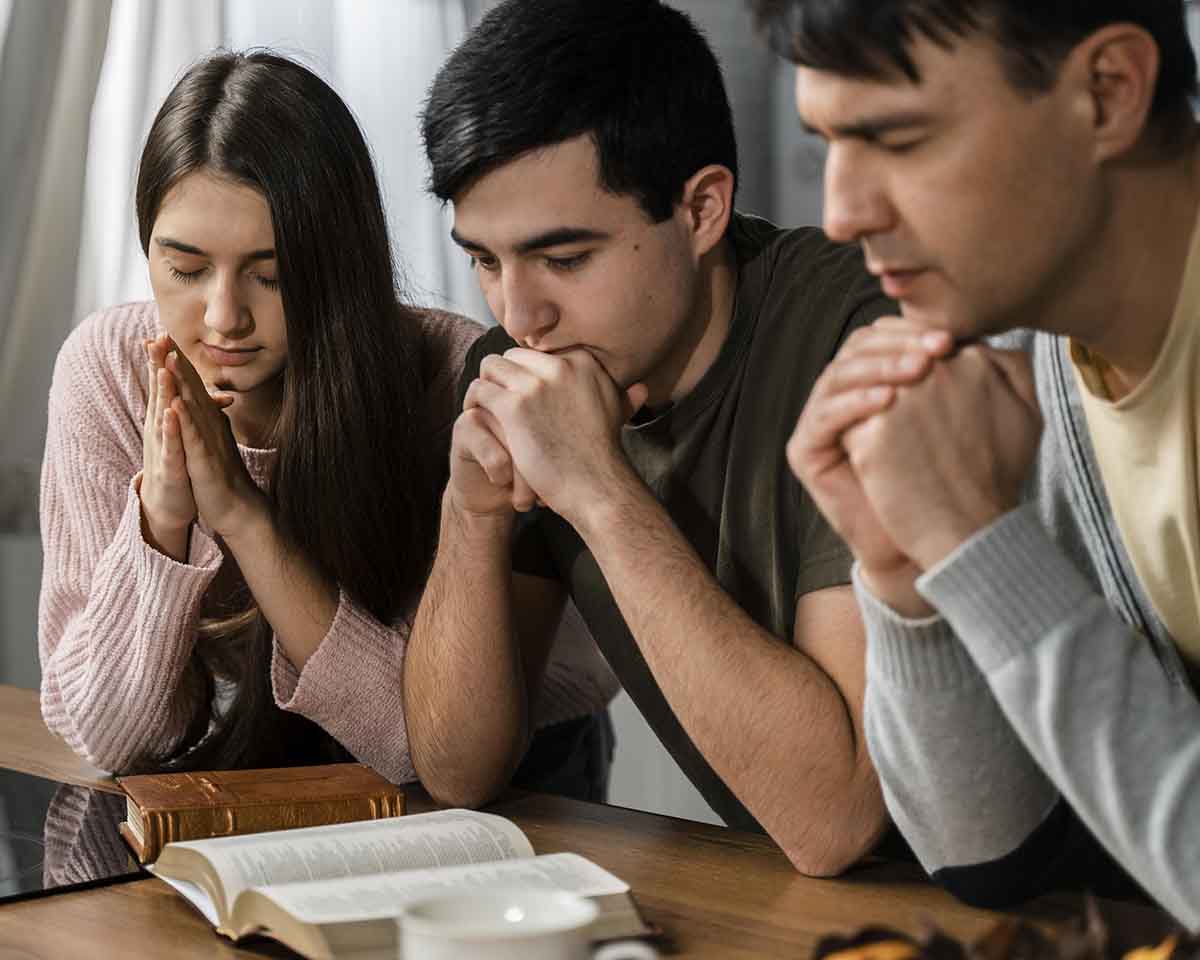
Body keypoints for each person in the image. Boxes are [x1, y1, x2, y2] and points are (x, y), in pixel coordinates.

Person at [402, 0, 898, 876]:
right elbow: (454, 771)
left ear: (702, 209)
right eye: (484, 260)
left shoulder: (856, 334)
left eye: (564, 259)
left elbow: (838, 822)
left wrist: (597, 490)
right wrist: (471, 515)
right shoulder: (527, 364)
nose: (520, 316)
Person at [37, 50, 619, 796]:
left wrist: (243, 517)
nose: (223, 318)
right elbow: (111, 738)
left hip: (522, 774)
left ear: (338, 262)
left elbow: (419, 749)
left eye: (271, 276)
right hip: (273, 768)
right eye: (184, 269)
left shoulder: (453, 377)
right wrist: (162, 514)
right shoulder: (108, 371)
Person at [752, 0, 1200, 927]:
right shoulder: (1012, 359)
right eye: (828, 140)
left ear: (1108, 91)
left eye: (899, 138)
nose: (841, 212)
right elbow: (984, 851)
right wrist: (905, 576)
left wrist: (984, 546)